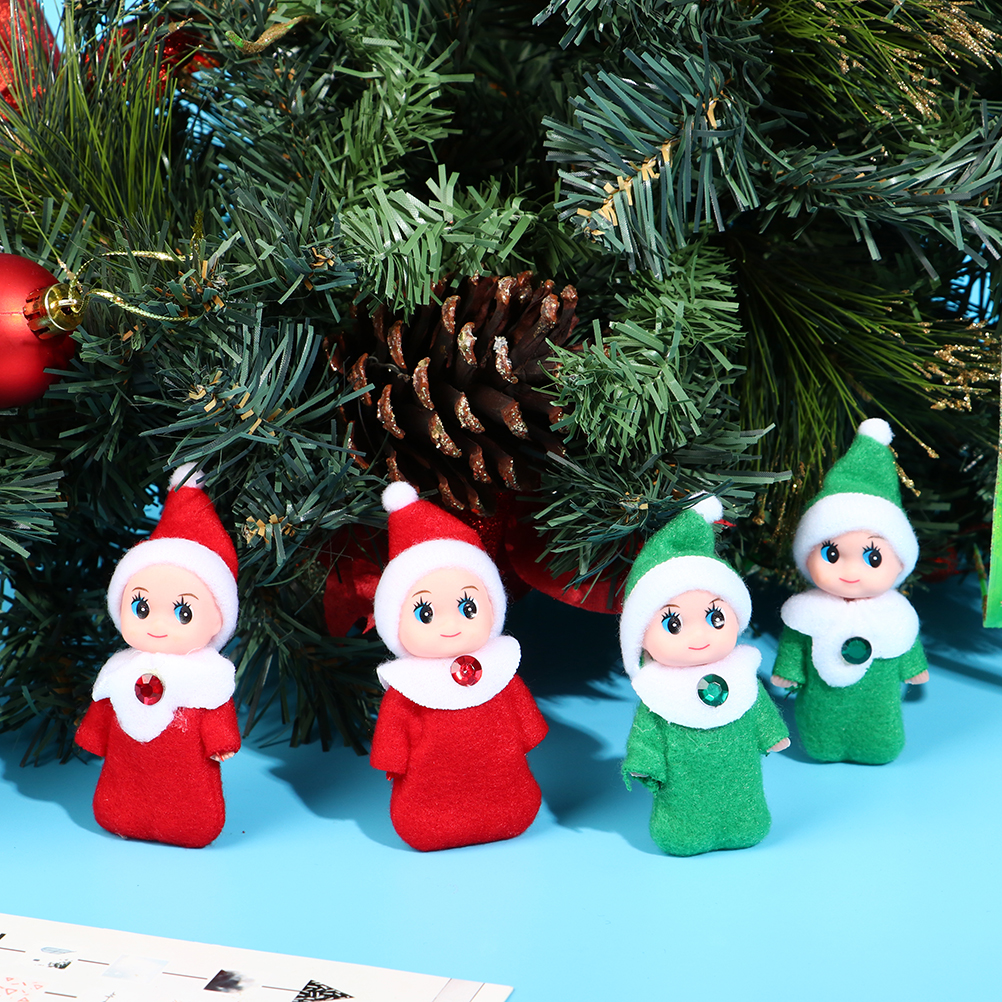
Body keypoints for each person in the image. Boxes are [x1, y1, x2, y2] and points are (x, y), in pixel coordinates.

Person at [369, 482, 547, 851]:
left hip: (505, 788)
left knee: (511, 799)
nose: (451, 625)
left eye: (468, 608)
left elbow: (527, 725)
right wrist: (393, 760)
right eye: (426, 613)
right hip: (429, 796)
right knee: (425, 813)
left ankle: (502, 813)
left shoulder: (498, 670)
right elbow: (393, 735)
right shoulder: (410, 686)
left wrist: (524, 737)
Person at [75, 464, 241, 848]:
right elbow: (105, 705)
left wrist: (221, 742)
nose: (158, 624)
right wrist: (93, 735)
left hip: (187, 774)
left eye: (183, 612)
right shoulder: (120, 669)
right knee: (122, 788)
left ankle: (185, 823)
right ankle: (124, 814)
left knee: (187, 797)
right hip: (126, 767)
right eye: (142, 607)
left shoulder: (206, 677)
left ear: (217, 619)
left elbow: (215, 712)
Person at [619, 495, 789, 856]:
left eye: (715, 618)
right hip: (684, 793)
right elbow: (648, 733)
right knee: (683, 822)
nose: (699, 636)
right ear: (641, 636)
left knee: (744, 803)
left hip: (741, 781)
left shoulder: (740, 675)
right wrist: (643, 763)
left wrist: (772, 735)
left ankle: (744, 824)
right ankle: (684, 832)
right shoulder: (659, 691)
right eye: (674, 623)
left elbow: (758, 709)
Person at [771, 418, 929, 764]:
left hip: (879, 698)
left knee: (879, 727)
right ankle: (824, 744)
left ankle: (877, 744)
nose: (851, 571)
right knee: (821, 729)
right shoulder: (807, 611)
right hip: (821, 701)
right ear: (807, 556)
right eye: (832, 554)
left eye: (873, 558)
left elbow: (905, 638)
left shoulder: (895, 613)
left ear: (899, 564)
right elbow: (796, 643)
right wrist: (789, 670)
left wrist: (913, 666)